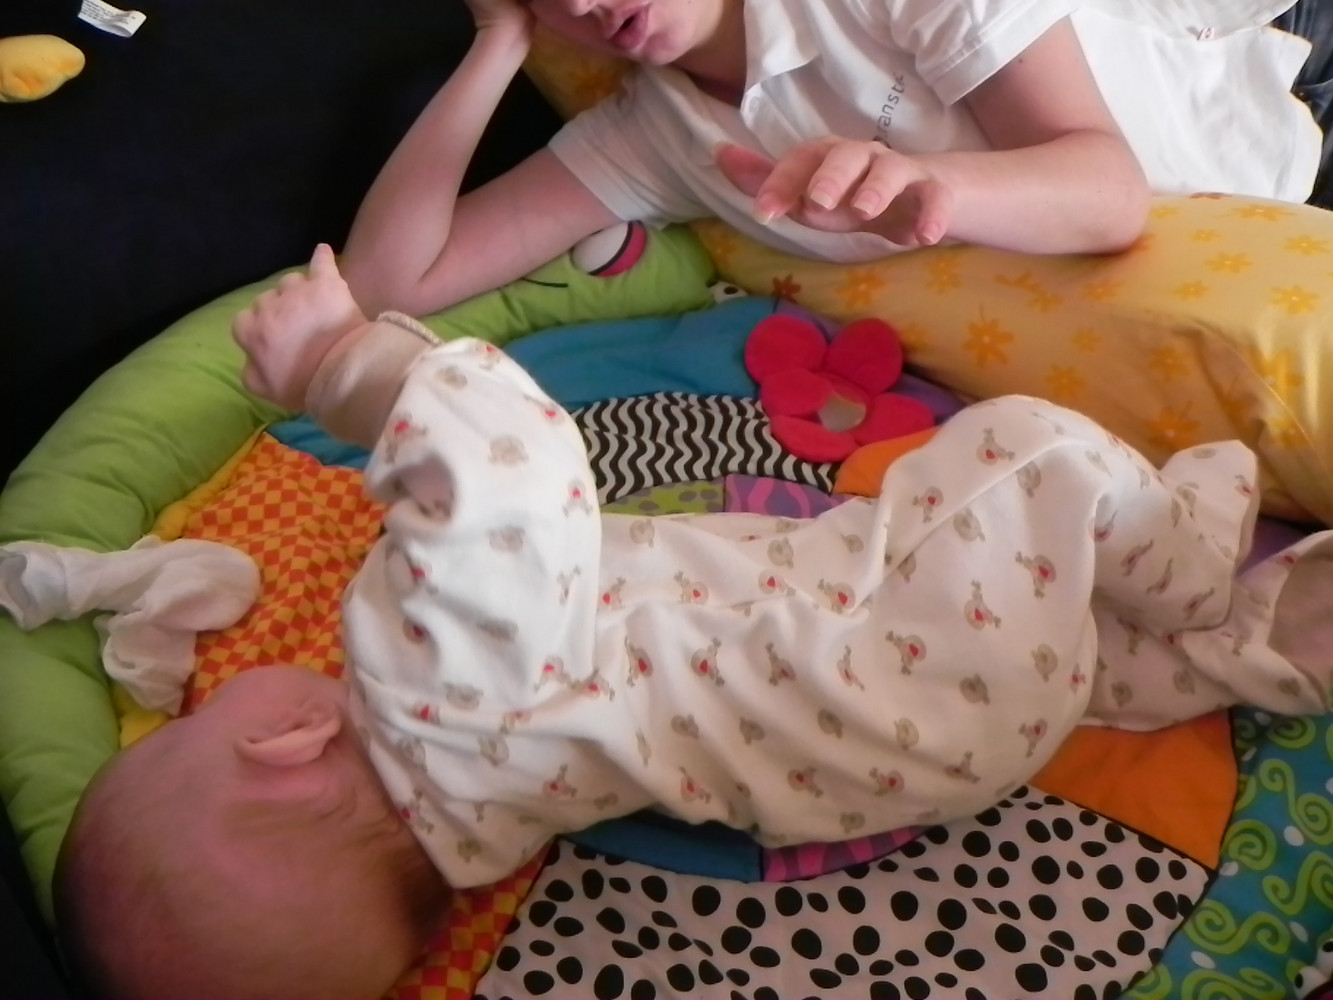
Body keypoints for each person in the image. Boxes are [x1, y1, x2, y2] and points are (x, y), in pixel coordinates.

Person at [54, 245, 1333, 998]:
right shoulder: (424, 676)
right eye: (186, 729)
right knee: (1027, 454)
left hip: (917, 762)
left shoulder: (483, 837)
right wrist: (347, 368)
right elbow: (514, 475)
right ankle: (1188, 576)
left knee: (1052, 640)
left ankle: (1235, 649)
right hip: (905, 658)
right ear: (280, 743)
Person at [339, 0, 1329, 320]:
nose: (584, 2)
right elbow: (388, 283)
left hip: (1276, 108)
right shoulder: (657, 134)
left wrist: (931, 189)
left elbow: (1107, 192)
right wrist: (496, 47)